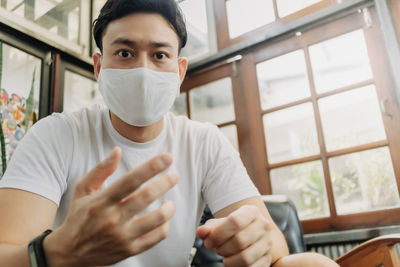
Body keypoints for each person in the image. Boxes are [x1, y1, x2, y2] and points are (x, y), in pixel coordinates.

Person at [0, 0, 338, 266]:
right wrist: (55, 252)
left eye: (159, 54)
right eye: (125, 53)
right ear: (99, 66)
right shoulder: (56, 135)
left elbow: (274, 247)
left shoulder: (204, 142)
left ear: (179, 70)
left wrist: (257, 241)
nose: (143, 70)